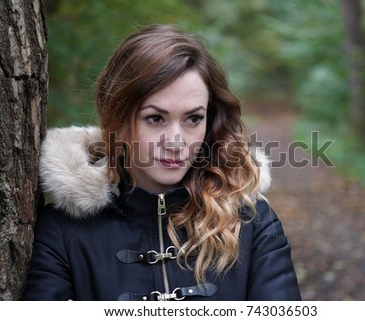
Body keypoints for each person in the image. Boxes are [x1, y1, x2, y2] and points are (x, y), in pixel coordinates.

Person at [22, 24, 301, 301]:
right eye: (155, 118)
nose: (176, 142)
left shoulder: (253, 220)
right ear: (118, 119)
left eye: (193, 119)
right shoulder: (64, 229)